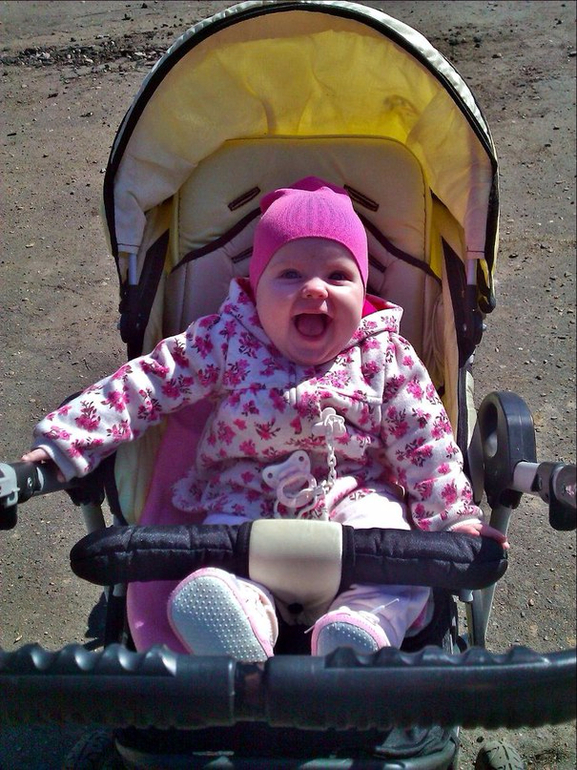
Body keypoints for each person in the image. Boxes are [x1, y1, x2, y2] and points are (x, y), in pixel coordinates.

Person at [23, 176, 508, 661]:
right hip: (247, 492)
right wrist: (69, 438)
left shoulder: (384, 354)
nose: (314, 288)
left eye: (338, 276)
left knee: (396, 556)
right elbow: (148, 382)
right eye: (290, 274)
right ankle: (238, 618)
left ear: (362, 290)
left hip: (355, 492)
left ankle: (363, 625)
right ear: (256, 289)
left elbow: (424, 441)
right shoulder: (226, 339)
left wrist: (453, 520)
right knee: (214, 566)